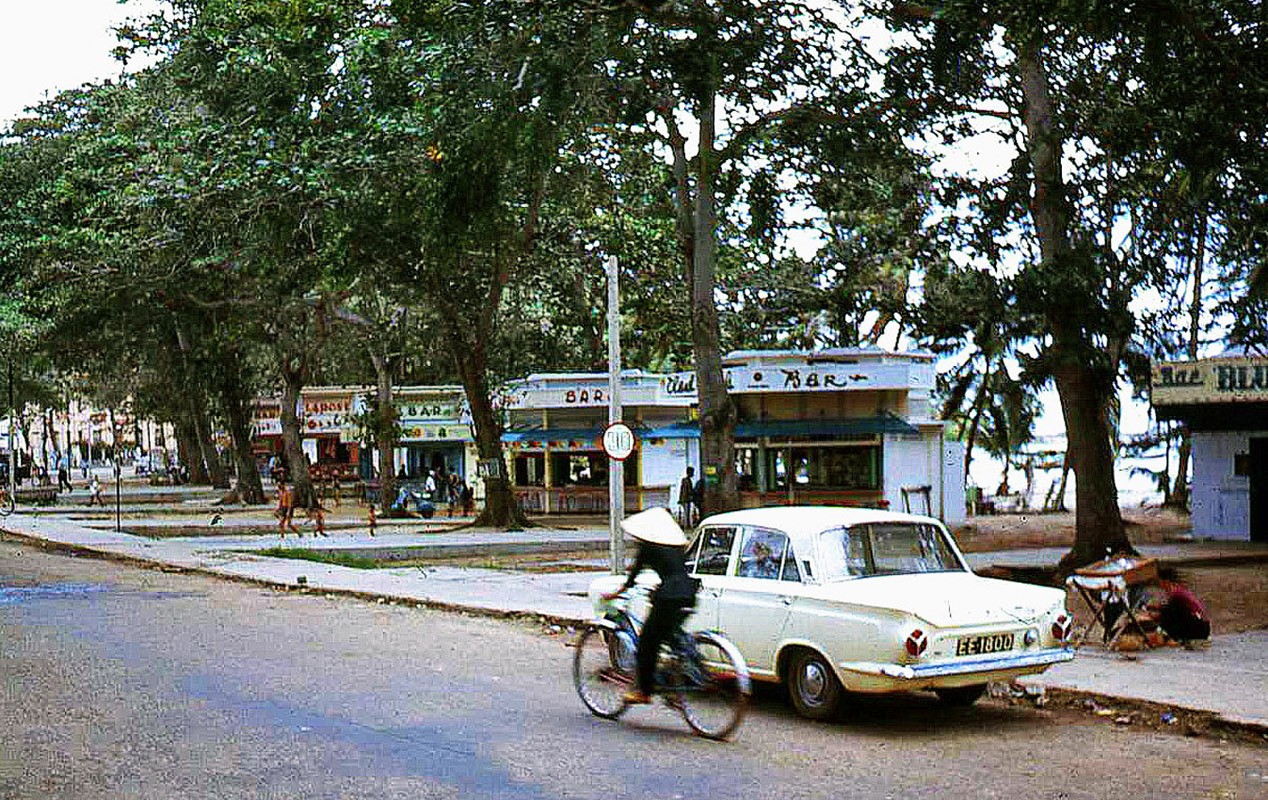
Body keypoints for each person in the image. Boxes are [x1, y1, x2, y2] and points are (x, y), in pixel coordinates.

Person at [601, 507, 700, 706]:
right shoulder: (677, 546)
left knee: (647, 642)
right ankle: (671, 685)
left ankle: (643, 692)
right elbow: (675, 572)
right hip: (689, 593)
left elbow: (632, 579)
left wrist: (613, 594)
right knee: (670, 637)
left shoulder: (648, 548)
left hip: (668, 597)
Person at [1149, 566, 1211, 646]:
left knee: (1168, 613)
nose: (1159, 584)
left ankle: (1170, 637)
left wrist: (1157, 616)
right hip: (1201, 626)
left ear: (1165, 581)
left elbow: (1170, 612)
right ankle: (1169, 636)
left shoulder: (1176, 594)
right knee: (1168, 611)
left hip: (1200, 627)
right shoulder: (1176, 590)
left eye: (1160, 581)